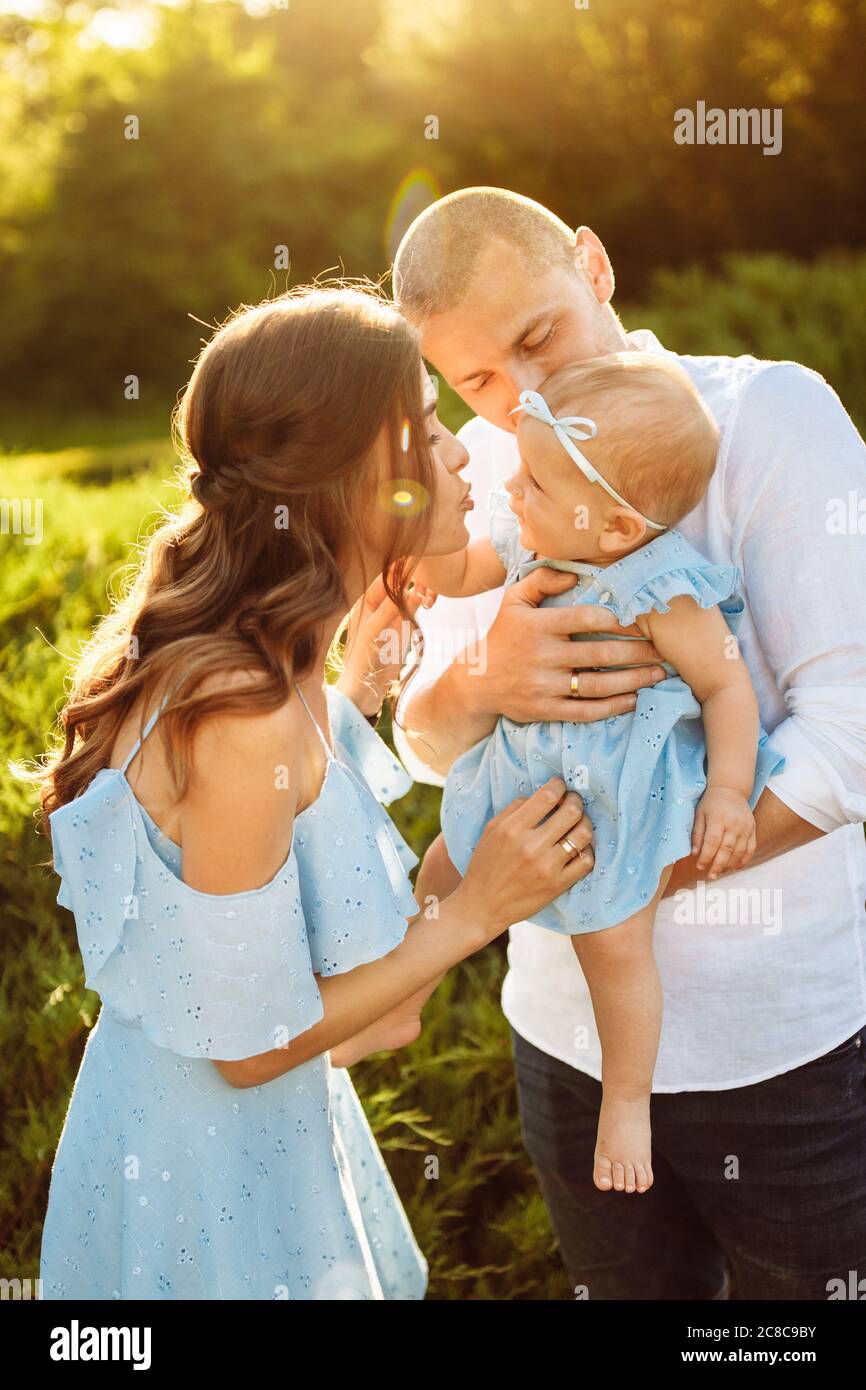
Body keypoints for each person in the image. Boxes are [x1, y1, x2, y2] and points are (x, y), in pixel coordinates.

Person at [26, 282, 593, 1300]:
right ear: (347, 474)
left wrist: (353, 690)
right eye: (424, 428)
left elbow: (270, 827)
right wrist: (471, 912)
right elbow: (247, 1047)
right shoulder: (239, 709)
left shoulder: (260, 664)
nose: (459, 450)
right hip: (205, 1174)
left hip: (234, 1137)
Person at [391, 187, 866, 1300]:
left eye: (536, 336)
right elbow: (421, 741)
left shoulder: (767, 420)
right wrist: (479, 677)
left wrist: (611, 881)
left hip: (782, 1048)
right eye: (477, 381)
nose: (523, 398)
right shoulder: (490, 470)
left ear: (593, 266)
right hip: (562, 1039)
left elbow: (852, 730)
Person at [412, 351, 785, 1195]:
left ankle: (626, 1103)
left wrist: (728, 790)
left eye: (536, 484)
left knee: (613, 950)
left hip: (617, 805)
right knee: (441, 865)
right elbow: (457, 568)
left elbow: (727, 687)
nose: (515, 494)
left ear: (616, 527)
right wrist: (417, 537)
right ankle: (401, 995)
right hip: (522, 780)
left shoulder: (663, 590)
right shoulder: (531, 541)